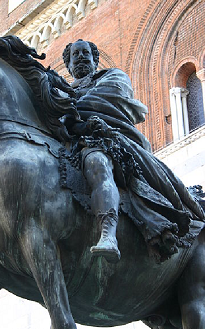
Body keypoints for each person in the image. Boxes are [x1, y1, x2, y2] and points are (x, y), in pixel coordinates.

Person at [61, 39, 205, 264]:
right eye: (75, 54)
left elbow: (110, 96)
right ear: (68, 65)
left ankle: (108, 234)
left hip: (108, 138)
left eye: (85, 53)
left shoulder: (112, 77)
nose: (80, 57)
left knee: (97, 162)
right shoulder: (61, 92)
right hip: (71, 142)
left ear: (95, 59)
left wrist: (65, 110)